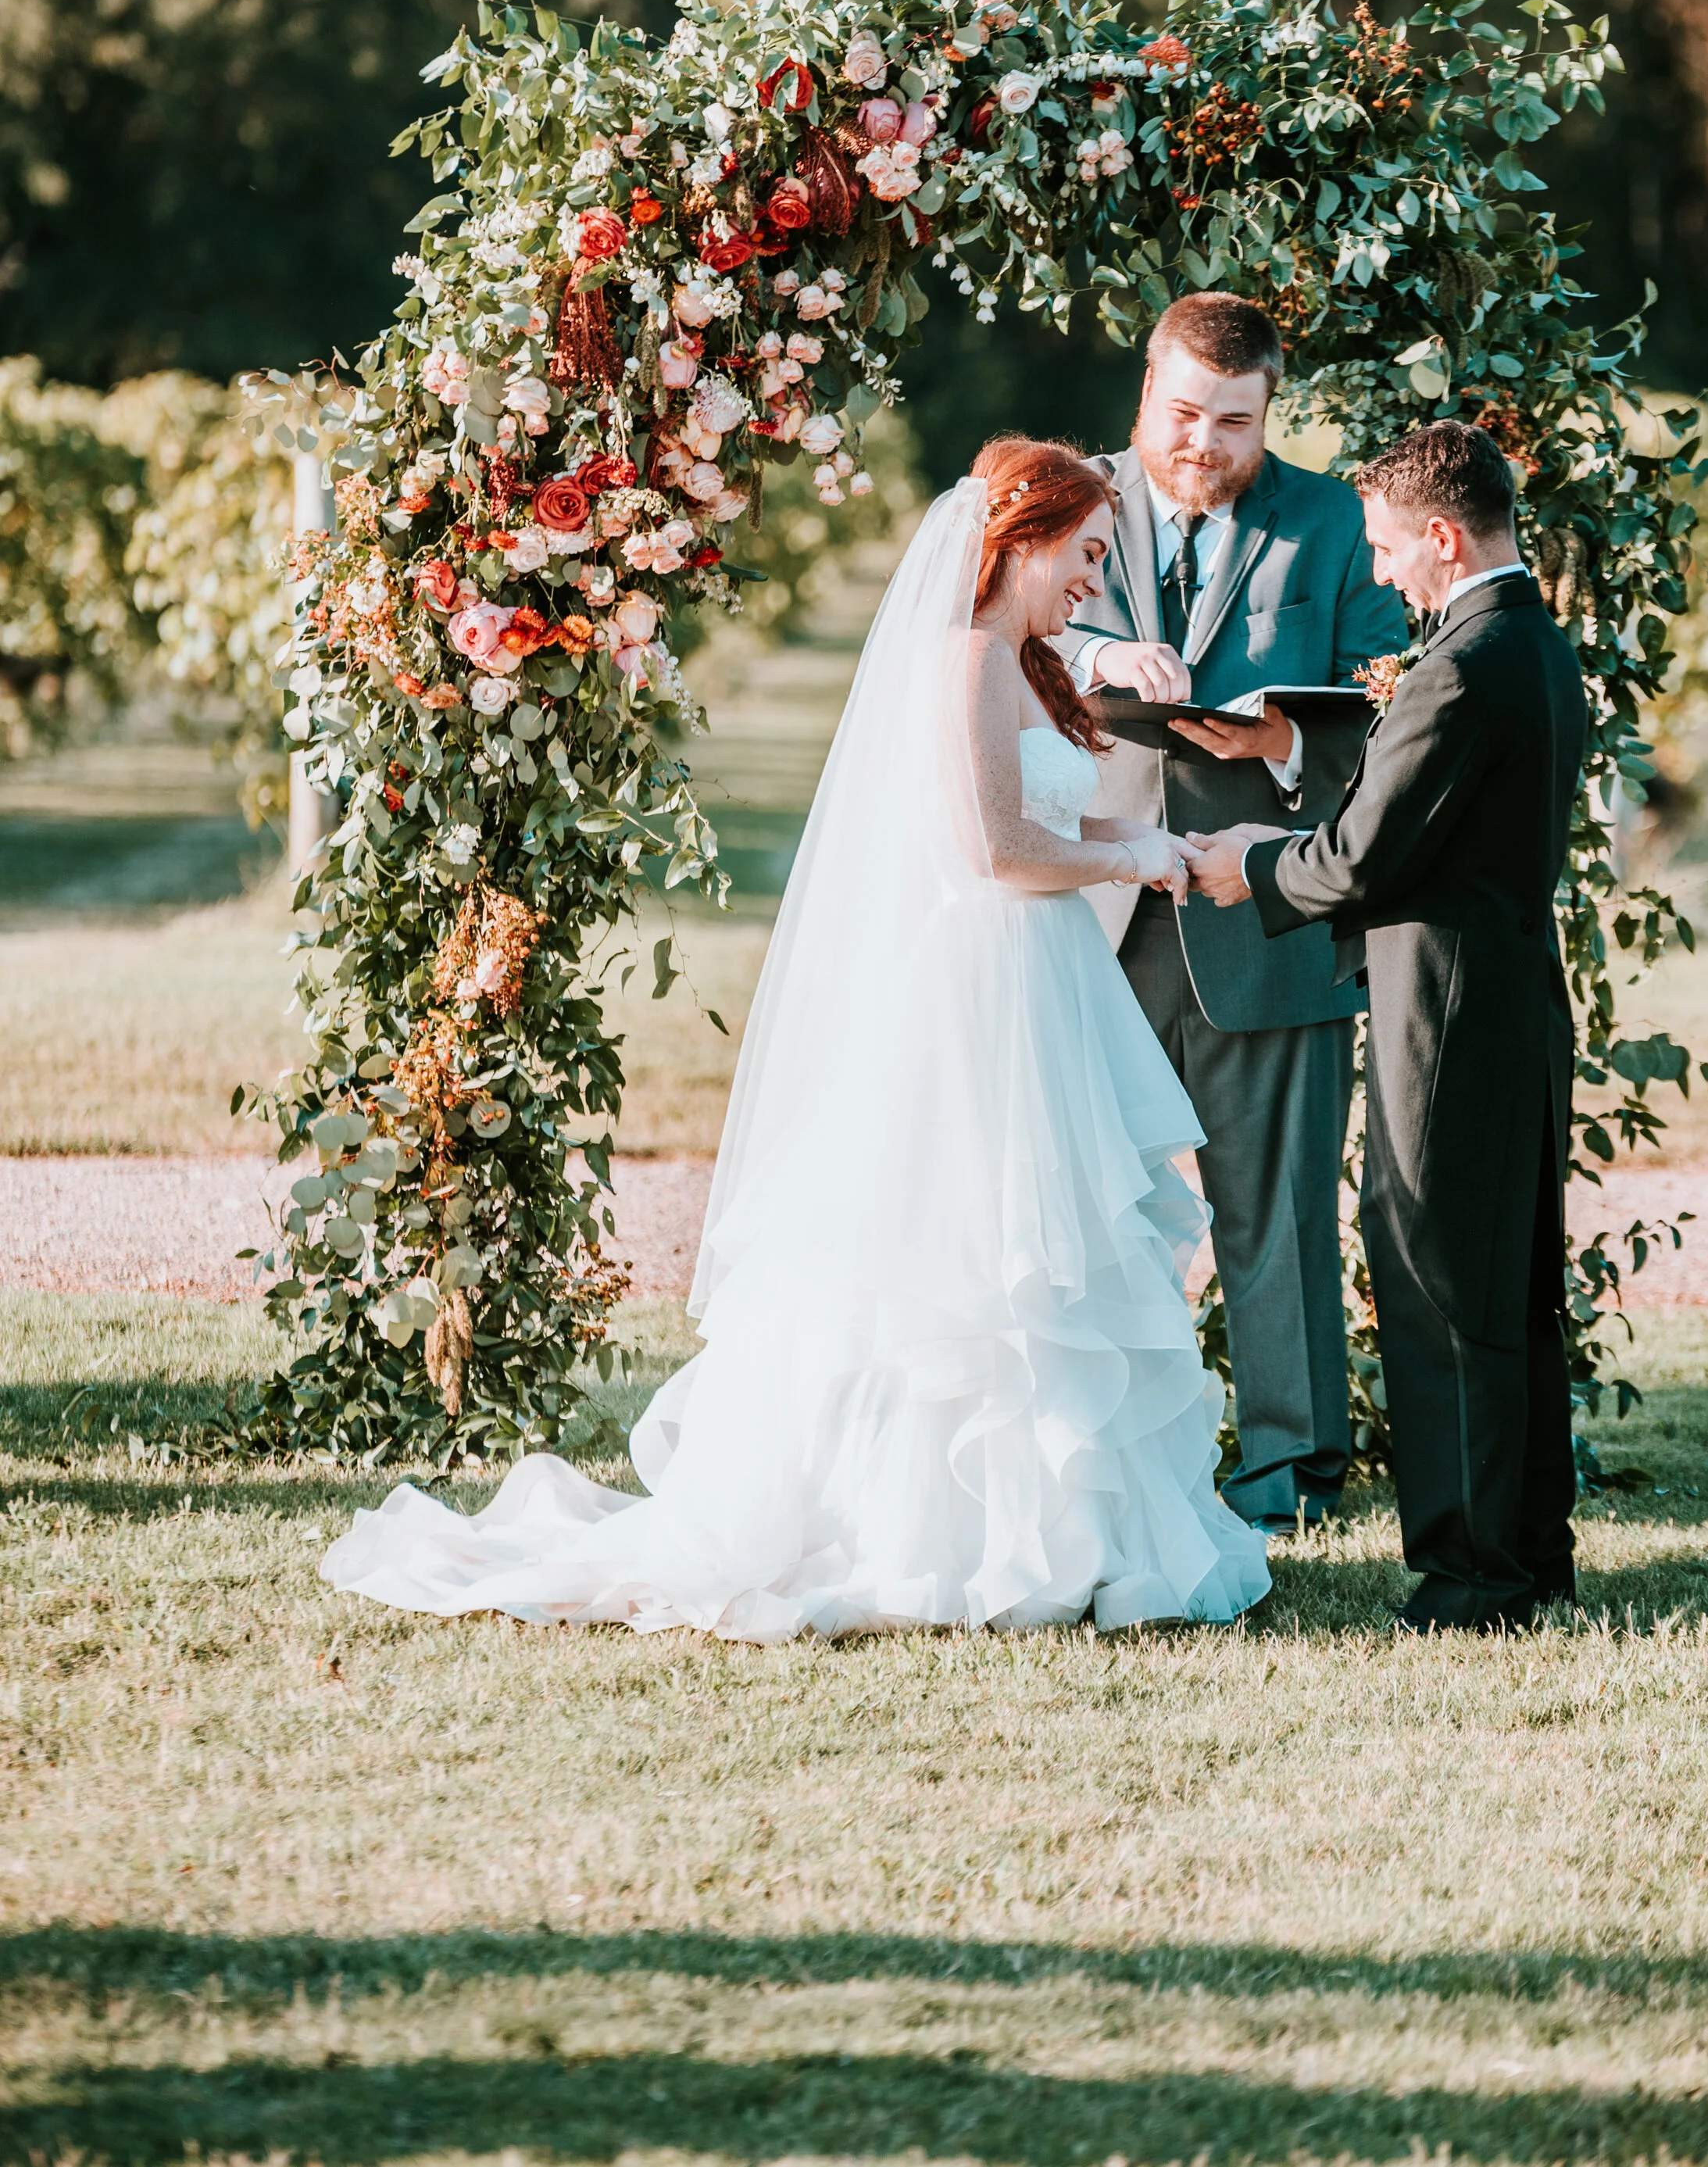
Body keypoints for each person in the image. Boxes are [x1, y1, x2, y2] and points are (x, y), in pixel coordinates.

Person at [321, 438, 1270, 1641]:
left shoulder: (1021, 661)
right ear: (1024, 539)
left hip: (1039, 983)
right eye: (1085, 555)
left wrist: (1168, 853)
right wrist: (1134, 855)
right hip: (979, 988)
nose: (1093, 581)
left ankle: (1067, 1529)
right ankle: (940, 1532)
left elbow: (1045, 809)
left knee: (1047, 1257)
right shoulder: (969, 655)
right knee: (970, 1260)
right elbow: (994, 850)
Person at [1185, 420, 1588, 1632]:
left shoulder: (1461, 665)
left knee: (1437, 1283)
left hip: (1446, 1012)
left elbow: (1363, 859)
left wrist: (1248, 869)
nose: (1382, 572)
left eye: (1388, 549)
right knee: (1509, 1288)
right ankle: (1527, 1555)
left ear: (1444, 537)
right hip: (1512, 995)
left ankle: (1472, 1580)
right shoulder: (1537, 642)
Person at [1058, 294, 1406, 1541]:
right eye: (1185, 413)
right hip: (1088, 919)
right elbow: (996, 645)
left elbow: (1388, 697)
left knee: (1277, 1213)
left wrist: (1284, 735)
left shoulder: (1328, 520)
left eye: (1236, 424)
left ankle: (1289, 1475)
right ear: (1146, 385)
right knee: (1079, 1204)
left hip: (1269, 915)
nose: (1204, 444)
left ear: (1272, 414)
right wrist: (1101, 664)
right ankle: (1095, 1463)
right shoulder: (1067, 498)